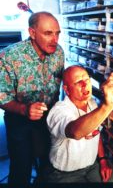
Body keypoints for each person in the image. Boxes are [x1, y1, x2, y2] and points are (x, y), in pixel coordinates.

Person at [0, 11, 64, 185]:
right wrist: (25, 109)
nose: (55, 39)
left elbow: (59, 79)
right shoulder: (9, 56)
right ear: (32, 33)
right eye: (48, 33)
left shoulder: (58, 53)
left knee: (48, 164)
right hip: (19, 119)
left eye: (57, 33)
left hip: (49, 117)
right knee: (21, 168)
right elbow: (2, 95)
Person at [44, 65, 113, 183]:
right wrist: (107, 106)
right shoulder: (58, 111)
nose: (84, 84)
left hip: (91, 166)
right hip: (64, 174)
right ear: (67, 90)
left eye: (87, 80)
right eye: (78, 82)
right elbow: (75, 132)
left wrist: (102, 159)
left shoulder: (92, 104)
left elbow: (96, 133)